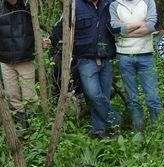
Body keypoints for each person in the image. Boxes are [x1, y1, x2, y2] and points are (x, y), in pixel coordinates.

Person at [50, 0, 120, 138]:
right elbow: (61, 26)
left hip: (107, 56)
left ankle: (98, 130)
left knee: (103, 96)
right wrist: (51, 40)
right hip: (86, 57)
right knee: (93, 94)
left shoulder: (110, 4)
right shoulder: (74, 5)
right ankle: (115, 120)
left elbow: (118, 25)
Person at [0, 0, 51, 130]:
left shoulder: (28, 8)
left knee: (30, 95)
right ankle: (23, 126)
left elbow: (37, 28)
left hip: (25, 58)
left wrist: (42, 41)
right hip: (6, 61)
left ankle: (35, 126)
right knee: (12, 95)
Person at [109, 0, 162, 133]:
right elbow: (114, 28)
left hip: (146, 55)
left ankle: (158, 132)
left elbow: (151, 26)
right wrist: (140, 23)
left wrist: (125, 31)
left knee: (152, 96)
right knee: (132, 97)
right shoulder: (115, 5)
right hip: (124, 56)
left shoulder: (148, 2)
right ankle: (139, 132)